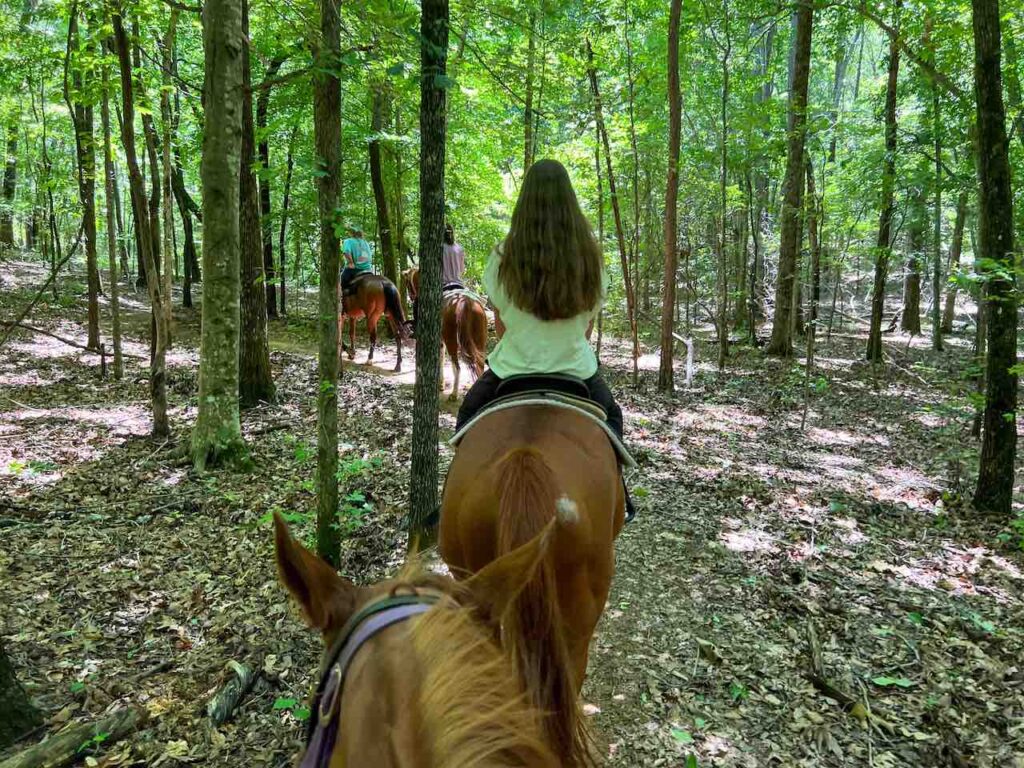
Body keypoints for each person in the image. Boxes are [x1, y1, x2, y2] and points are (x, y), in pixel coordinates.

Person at [455, 158, 634, 520]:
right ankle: (620, 502)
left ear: (526, 199)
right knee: (612, 420)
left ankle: (453, 501)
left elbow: (501, 323)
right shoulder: (590, 257)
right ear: (569, 200)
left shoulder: (504, 255)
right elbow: (586, 327)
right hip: (576, 372)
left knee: (467, 418)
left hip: (511, 371)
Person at [340, 226, 373, 295]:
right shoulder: (366, 243)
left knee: (343, 279)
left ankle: (344, 295)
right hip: (368, 270)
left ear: (351, 233)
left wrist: (351, 263)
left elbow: (346, 252)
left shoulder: (348, 241)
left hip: (355, 269)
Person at [441, 223, 466, 289]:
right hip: (459, 284)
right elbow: (462, 270)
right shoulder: (460, 248)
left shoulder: (439, 249)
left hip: (443, 284)